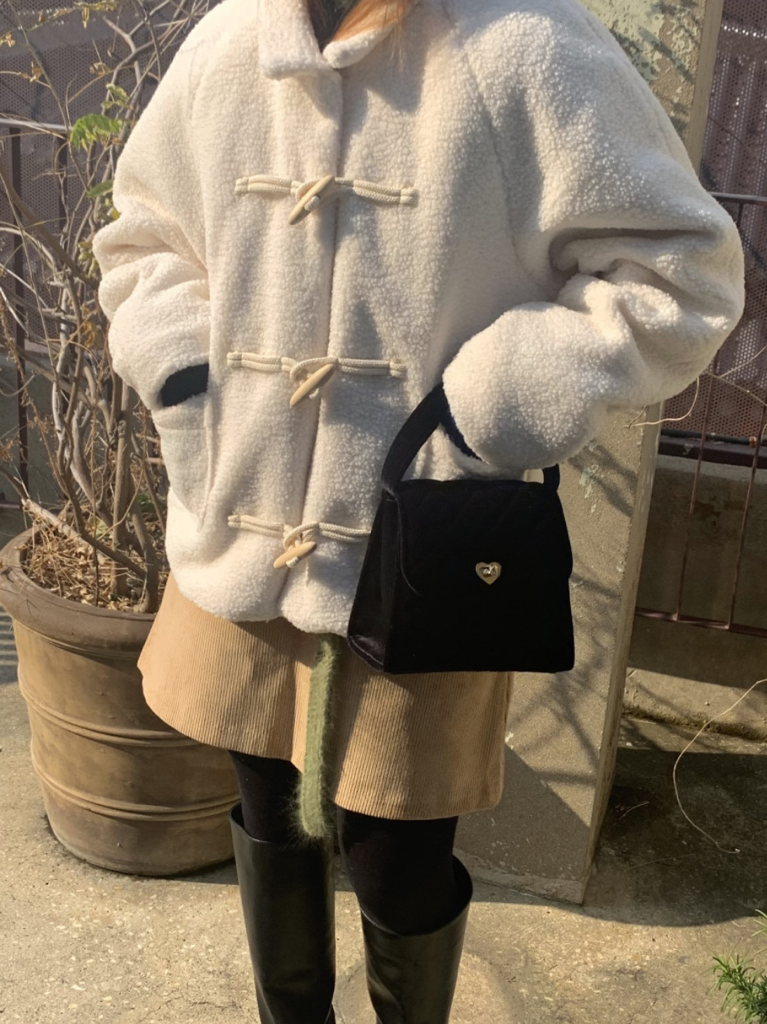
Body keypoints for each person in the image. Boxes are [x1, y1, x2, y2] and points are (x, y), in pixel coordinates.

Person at [91, 0, 745, 1020]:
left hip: (420, 552)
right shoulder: (232, 40)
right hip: (243, 526)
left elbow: (682, 273)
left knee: (395, 860)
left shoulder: (522, 44)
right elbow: (144, 243)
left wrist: (489, 408)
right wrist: (187, 383)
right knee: (270, 814)